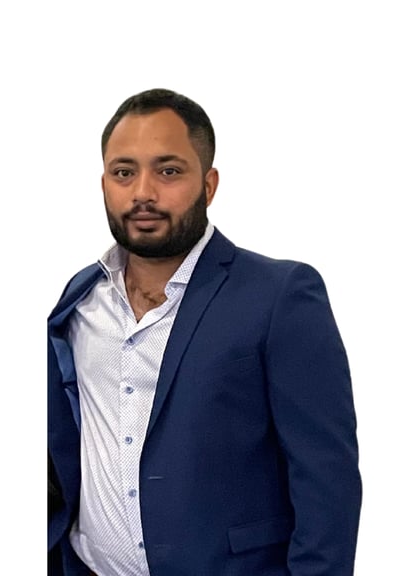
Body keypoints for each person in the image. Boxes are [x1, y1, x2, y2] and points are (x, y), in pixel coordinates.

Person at [48, 88, 362, 576]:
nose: (143, 193)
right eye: (123, 172)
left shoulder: (280, 296)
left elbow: (327, 480)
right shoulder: (80, 298)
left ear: (209, 184)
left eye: (168, 171)